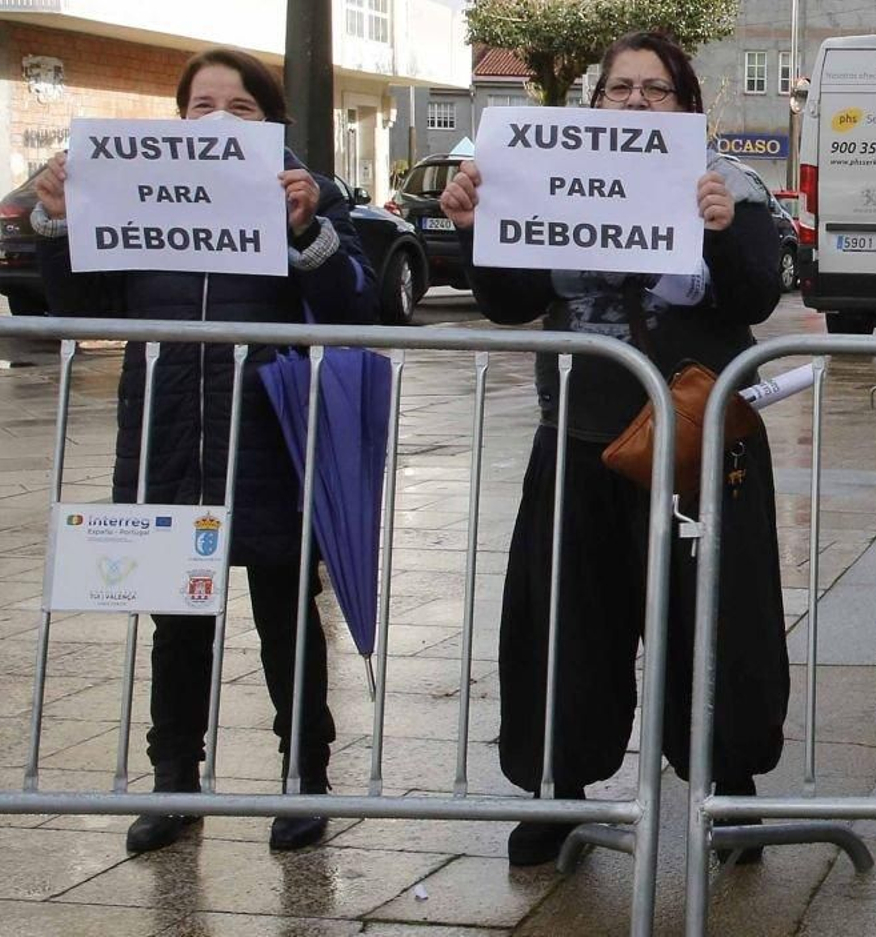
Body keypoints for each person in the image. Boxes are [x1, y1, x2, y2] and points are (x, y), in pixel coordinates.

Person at [437, 30, 790, 867]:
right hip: (579, 437)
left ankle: (725, 784)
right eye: (619, 88)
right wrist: (474, 223)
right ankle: (558, 793)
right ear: (593, 104)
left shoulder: (730, 185)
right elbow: (506, 298)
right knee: (566, 622)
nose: (635, 102)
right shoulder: (545, 176)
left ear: (688, 107)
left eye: (656, 90)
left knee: (712, 623)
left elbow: (757, 289)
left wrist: (715, 226)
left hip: (695, 446)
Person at [31, 47, 377, 852]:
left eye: (242, 107)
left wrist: (308, 231)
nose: (218, 119)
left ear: (273, 122)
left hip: (272, 439)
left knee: (288, 618)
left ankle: (305, 778)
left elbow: (358, 300)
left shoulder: (312, 195)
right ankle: (174, 781)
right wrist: (56, 222)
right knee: (177, 623)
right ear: (179, 117)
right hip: (169, 433)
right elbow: (83, 304)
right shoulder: (137, 192)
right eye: (201, 106)